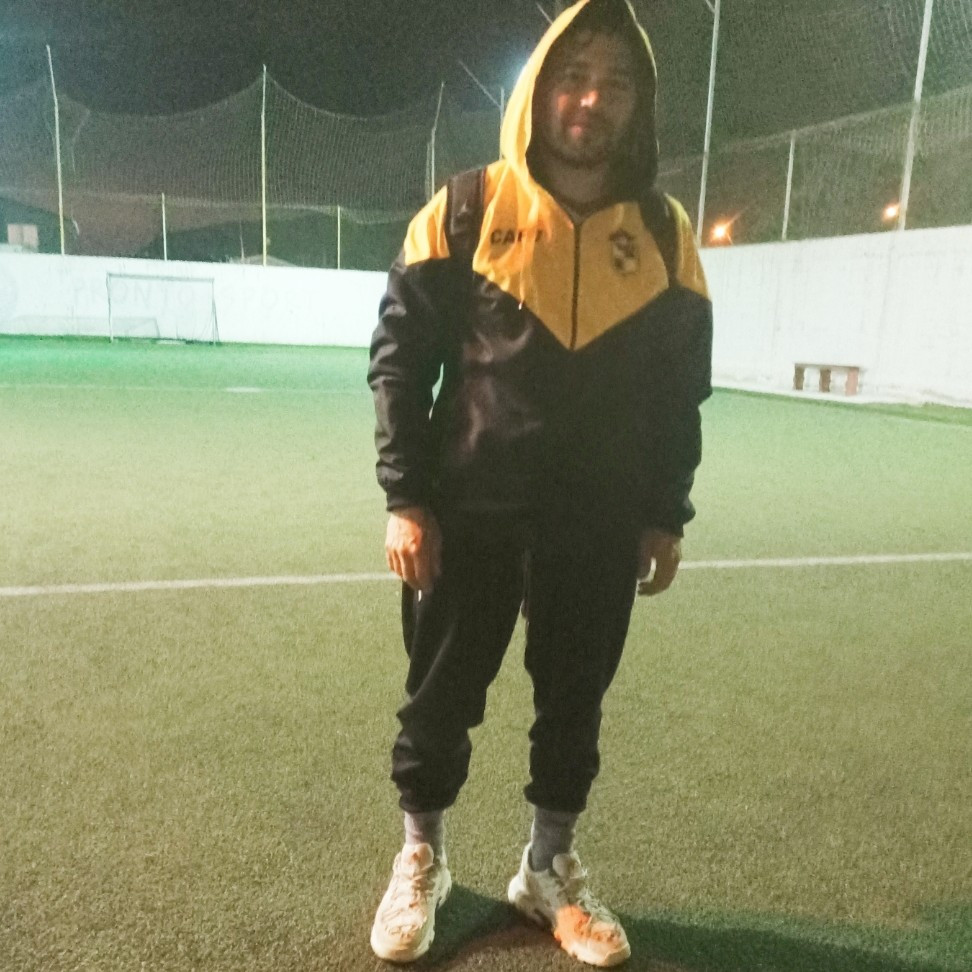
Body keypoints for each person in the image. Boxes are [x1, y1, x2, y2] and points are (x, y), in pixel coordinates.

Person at [366, 0, 712, 965]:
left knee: (574, 704)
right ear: (539, 88)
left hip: (598, 523)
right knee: (439, 699)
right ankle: (422, 858)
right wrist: (406, 498)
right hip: (468, 513)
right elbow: (400, 363)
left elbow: (679, 391)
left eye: (615, 82)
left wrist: (664, 510)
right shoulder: (468, 207)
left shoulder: (664, 232)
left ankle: (546, 868)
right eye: (573, 76)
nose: (591, 99)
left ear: (638, 103)